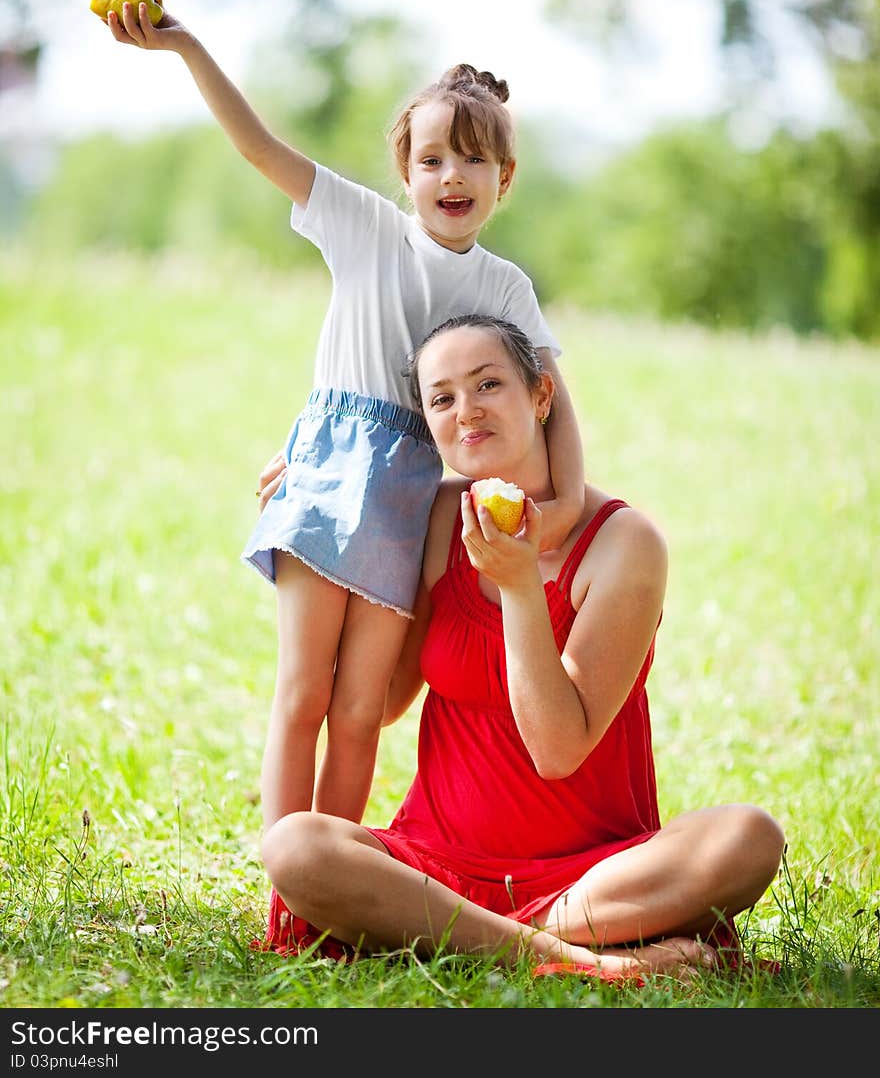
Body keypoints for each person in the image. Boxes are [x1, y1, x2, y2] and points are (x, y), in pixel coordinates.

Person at [102, 2, 585, 833]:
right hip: (325, 476)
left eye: (474, 160)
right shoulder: (365, 227)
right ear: (405, 173)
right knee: (303, 695)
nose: (451, 177)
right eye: (431, 158)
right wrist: (187, 48)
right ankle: (287, 890)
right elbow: (259, 147)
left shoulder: (505, 287)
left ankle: (333, 884)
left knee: (361, 711)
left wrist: (566, 501)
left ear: (505, 179)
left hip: (412, 504)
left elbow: (552, 398)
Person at [253, 314, 786, 983]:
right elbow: (382, 702)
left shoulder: (625, 544)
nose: (466, 411)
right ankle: (588, 961)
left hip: (592, 877)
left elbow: (558, 749)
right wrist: (309, 511)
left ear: (540, 396)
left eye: (488, 385)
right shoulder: (437, 517)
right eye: (442, 398)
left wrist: (521, 587)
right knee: (298, 847)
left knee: (748, 837)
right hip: (436, 863)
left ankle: (458, 934)